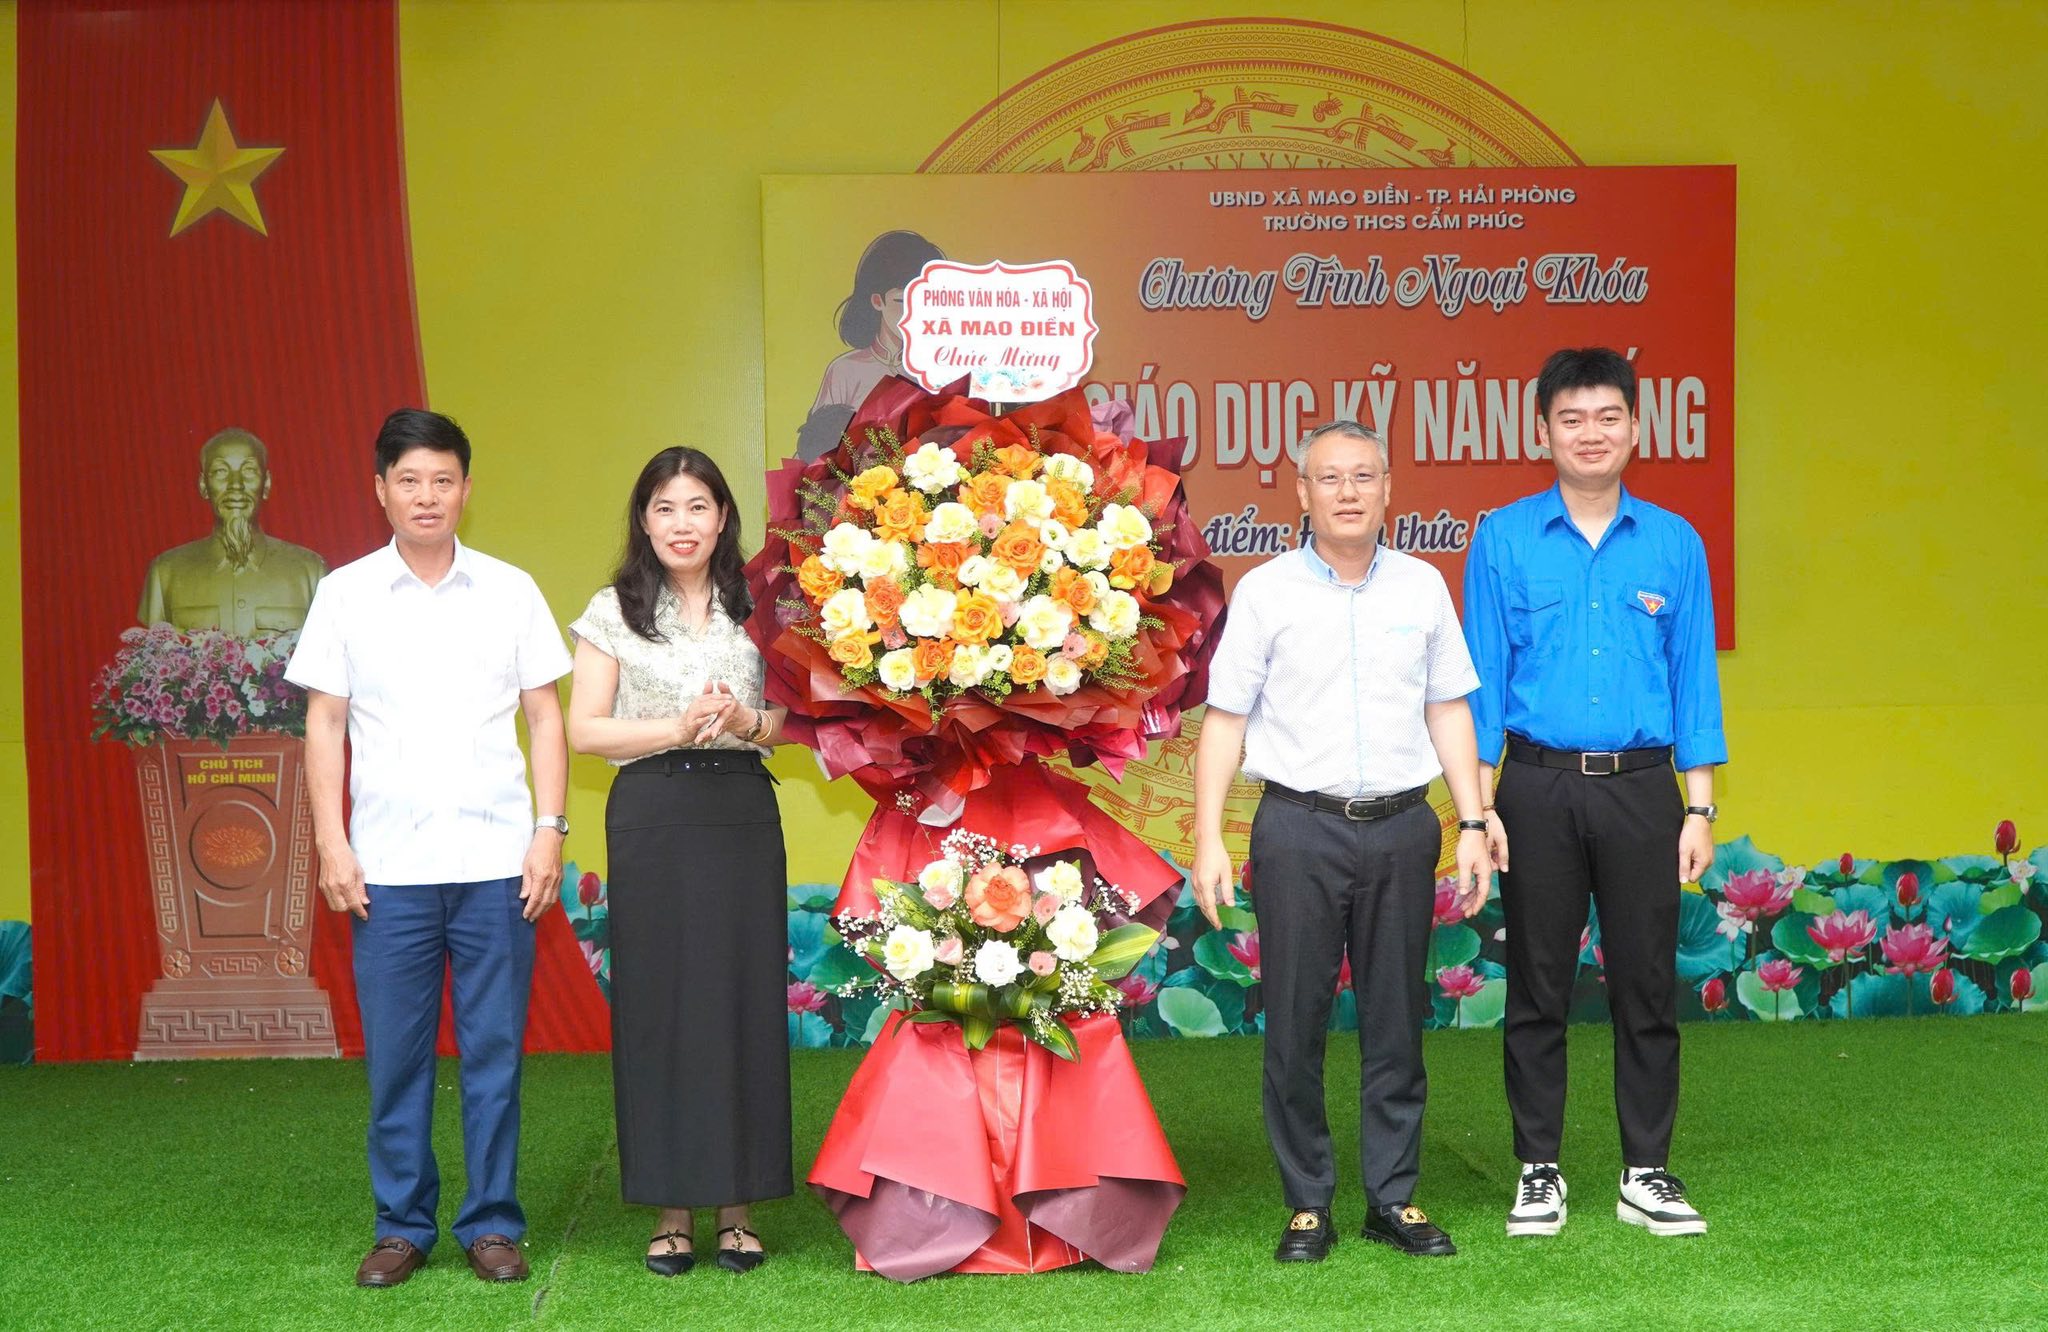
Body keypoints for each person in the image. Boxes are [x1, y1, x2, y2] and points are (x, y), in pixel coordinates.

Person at [1191, 421, 1494, 1264]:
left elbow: (1448, 708)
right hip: (1298, 828)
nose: (1349, 492)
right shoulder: (1266, 592)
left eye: (1364, 476)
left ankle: (1393, 1198)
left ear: (1389, 488)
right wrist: (1209, 837)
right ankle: (1307, 1203)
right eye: (1330, 478)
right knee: (1295, 1020)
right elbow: (1225, 720)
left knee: (1397, 1020)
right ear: (1303, 493)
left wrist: (1473, 821)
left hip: (1403, 827)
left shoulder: (1422, 587)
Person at [286, 408, 571, 1288]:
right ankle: (402, 1226)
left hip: (496, 866)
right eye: (408, 480)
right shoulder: (344, 594)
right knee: (397, 1061)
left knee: (494, 1057)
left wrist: (549, 830)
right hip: (388, 871)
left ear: (466, 490)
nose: (426, 496)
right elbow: (323, 722)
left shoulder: (511, 590)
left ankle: (492, 1224)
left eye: (442, 480)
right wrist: (332, 843)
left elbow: (545, 717)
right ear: (380, 490)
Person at [1461, 346, 1726, 1239]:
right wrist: (1477, 812)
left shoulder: (1674, 542)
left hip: (1644, 790)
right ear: (1543, 431)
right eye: (1571, 418)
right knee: (1537, 985)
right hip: (1533, 789)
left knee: (1646, 984)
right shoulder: (1502, 540)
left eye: (1607, 416)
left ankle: (1646, 1170)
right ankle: (1538, 1168)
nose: (1590, 433)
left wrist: (1699, 807)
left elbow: (1694, 683)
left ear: (1635, 427)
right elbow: (1483, 685)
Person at [566, 447, 791, 1276]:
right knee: (660, 1004)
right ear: (644, 519)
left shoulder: (763, 605)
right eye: (665, 508)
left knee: (741, 998)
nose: (682, 523)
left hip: (739, 811)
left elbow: (795, 721)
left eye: (698, 506)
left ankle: (738, 1208)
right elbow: (585, 730)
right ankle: (671, 1209)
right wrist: (675, 726)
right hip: (652, 812)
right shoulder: (612, 609)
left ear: (723, 518)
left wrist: (745, 723)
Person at [137, 426, 326, 634]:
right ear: (203, 485)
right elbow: (154, 647)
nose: (236, 485)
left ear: (266, 484)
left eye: (249, 471)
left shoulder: (310, 572)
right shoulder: (165, 573)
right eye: (221, 471)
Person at [799, 229, 944, 459]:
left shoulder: (944, 369)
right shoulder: (845, 370)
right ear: (877, 301)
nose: (914, 312)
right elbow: (815, 454)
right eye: (902, 301)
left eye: (924, 301)